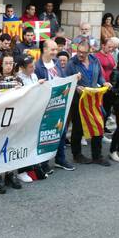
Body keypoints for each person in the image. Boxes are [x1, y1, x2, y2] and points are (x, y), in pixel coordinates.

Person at [66, 42, 107, 165]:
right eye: (79, 51)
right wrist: (77, 86)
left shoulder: (95, 60)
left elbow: (100, 76)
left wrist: (104, 83)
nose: (80, 54)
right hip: (78, 100)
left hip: (94, 99)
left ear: (90, 52)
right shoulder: (72, 63)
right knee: (78, 128)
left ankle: (97, 155)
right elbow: (67, 81)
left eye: (83, 53)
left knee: (98, 125)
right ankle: (77, 155)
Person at [35, 40, 73, 171]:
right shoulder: (37, 66)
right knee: (46, 134)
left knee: (61, 132)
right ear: (44, 49)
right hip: (45, 106)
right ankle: (44, 163)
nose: (55, 52)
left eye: (56, 49)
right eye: (52, 50)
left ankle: (60, 159)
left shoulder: (56, 63)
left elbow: (63, 79)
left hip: (59, 104)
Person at [0, 54, 24, 191]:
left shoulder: (19, 80)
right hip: (1, 119)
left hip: (15, 118)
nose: (9, 65)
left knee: (12, 145)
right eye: (6, 63)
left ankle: (10, 174)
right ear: (1, 65)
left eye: (11, 63)